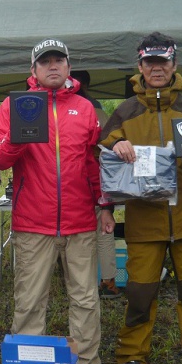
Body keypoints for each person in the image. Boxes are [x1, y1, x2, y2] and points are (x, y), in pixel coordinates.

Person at [99, 33, 182, 364]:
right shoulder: (125, 111)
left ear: (174, 64)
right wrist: (115, 145)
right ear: (139, 66)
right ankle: (133, 359)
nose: (157, 68)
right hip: (144, 221)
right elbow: (103, 160)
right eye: (150, 62)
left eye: (164, 61)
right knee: (139, 293)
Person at [0, 39, 108, 364]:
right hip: (33, 221)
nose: (52, 66)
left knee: (85, 297)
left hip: (80, 220)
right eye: (45, 61)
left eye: (59, 60)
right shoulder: (13, 105)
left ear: (69, 67)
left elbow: (93, 162)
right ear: (34, 70)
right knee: (29, 299)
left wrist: (103, 205)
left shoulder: (86, 108)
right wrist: (21, 137)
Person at [73, 70, 120, 299]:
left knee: (82, 238)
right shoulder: (99, 110)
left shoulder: (73, 109)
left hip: (80, 182)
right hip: (102, 179)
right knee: (104, 232)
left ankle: (84, 283)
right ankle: (108, 282)